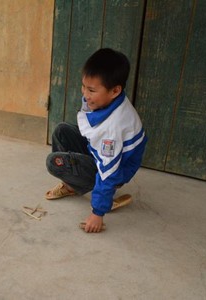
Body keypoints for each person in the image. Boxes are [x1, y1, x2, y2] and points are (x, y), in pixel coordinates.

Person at [45, 48, 147, 233]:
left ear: (115, 90)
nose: (85, 94)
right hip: (99, 152)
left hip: (114, 169)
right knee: (62, 131)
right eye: (84, 86)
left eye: (91, 90)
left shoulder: (113, 128)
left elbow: (109, 171)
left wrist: (97, 212)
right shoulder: (109, 100)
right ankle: (72, 185)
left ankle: (94, 192)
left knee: (54, 163)